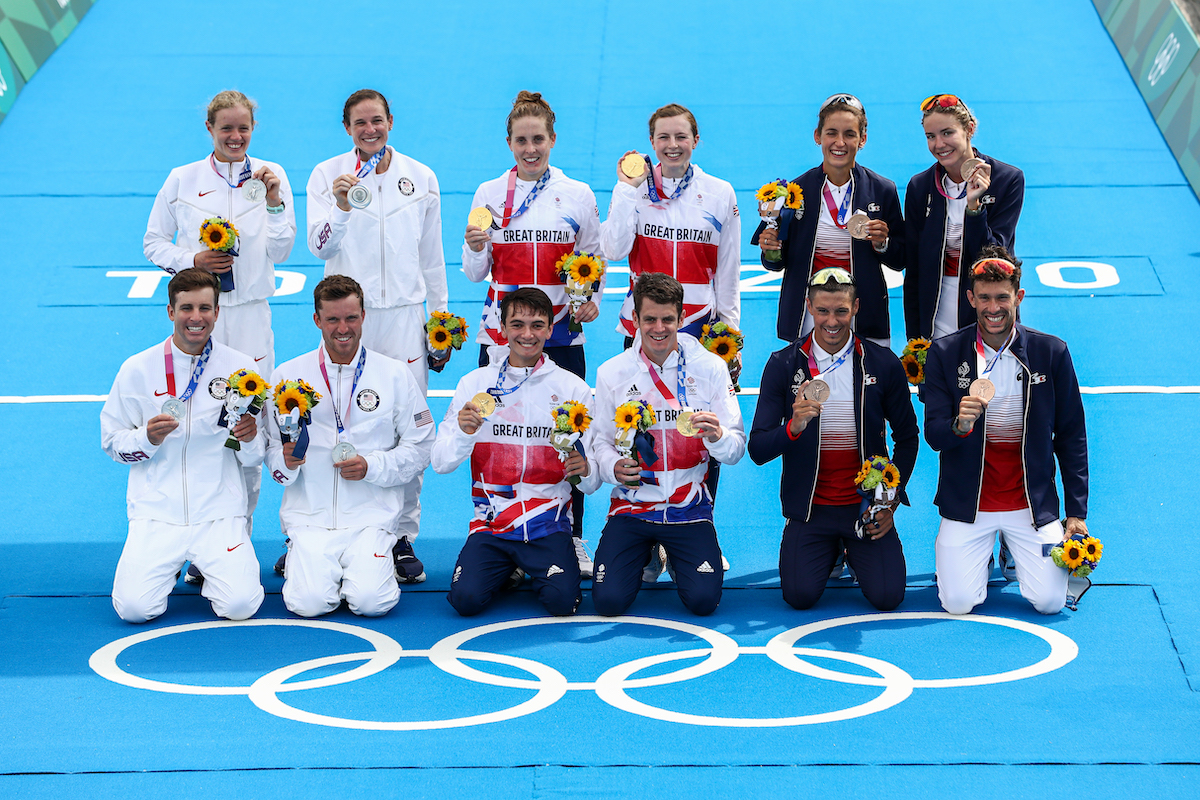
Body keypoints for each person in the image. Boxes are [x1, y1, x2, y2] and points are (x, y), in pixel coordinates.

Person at [143, 90, 296, 580]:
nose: (235, 137)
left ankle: (235, 542)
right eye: (226, 128)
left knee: (246, 432)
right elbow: (152, 243)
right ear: (209, 129)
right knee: (197, 426)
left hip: (250, 315)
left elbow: (285, 248)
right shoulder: (182, 179)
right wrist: (192, 261)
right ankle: (195, 541)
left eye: (243, 129)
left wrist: (273, 204)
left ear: (253, 129)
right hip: (199, 319)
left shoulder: (272, 175)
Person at [306, 88, 448, 583]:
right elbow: (317, 243)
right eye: (360, 123)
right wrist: (342, 206)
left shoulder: (420, 176)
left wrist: (440, 319)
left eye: (378, 121)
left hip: (406, 318)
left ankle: (401, 534)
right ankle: (315, 528)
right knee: (333, 419)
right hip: (350, 318)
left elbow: (431, 256)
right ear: (348, 129)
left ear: (391, 121)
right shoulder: (327, 175)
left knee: (409, 425)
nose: (370, 130)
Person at [462, 91, 602, 577]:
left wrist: (590, 302)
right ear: (508, 142)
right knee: (496, 435)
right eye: (521, 141)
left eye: (538, 139)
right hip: (501, 340)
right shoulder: (486, 195)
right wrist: (477, 247)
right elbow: (474, 272)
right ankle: (493, 524)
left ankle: (572, 535)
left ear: (553, 139)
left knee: (568, 438)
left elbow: (593, 262)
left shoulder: (578, 195)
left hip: (562, 338)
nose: (530, 149)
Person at [600, 103, 741, 557]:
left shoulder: (719, 193)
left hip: (701, 328)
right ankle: (644, 534)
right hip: (647, 326)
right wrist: (625, 190)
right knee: (637, 428)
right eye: (664, 138)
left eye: (681, 136)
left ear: (695, 140)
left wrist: (731, 337)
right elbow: (613, 248)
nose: (673, 145)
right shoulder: (635, 190)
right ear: (652, 143)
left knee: (703, 428)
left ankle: (698, 525)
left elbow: (729, 271)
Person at [924, 247, 1088, 615]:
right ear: (970, 298)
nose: (992, 308)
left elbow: (1071, 434)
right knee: (958, 604)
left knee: (1049, 603)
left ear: (1019, 296)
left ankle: (1015, 547)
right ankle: (978, 556)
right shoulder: (945, 353)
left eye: (1002, 297)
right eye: (984, 298)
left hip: (1032, 506)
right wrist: (959, 426)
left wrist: (1076, 512)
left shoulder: (1051, 352)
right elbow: (934, 435)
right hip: (969, 505)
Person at [748, 267, 918, 610]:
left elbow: (908, 436)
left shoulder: (882, 364)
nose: (832, 321)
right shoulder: (783, 365)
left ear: (856, 308)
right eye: (823, 310)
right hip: (811, 511)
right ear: (809, 307)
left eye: (841, 310)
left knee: (888, 597)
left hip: (864, 507)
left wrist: (889, 500)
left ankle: (852, 552)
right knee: (799, 596)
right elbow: (758, 449)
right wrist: (792, 428)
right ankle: (834, 551)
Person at [265, 275, 435, 618]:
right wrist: (285, 462)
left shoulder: (394, 374)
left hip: (371, 517)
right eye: (333, 320)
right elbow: (271, 450)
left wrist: (372, 466)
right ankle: (304, 554)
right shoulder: (287, 376)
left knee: (372, 603)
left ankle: (367, 562)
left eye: (351, 318)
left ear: (363, 316)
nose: (343, 328)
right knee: (308, 605)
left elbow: (422, 444)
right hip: (310, 518)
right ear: (317, 320)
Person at [101, 269, 264, 623]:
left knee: (240, 607)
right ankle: (169, 565)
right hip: (158, 513)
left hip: (218, 512)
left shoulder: (242, 369)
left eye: (205, 308)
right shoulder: (137, 369)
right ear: (171, 311)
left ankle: (211, 565)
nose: (196, 317)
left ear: (217, 313)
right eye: (186, 307)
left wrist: (251, 438)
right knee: (133, 610)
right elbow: (112, 443)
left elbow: (254, 457)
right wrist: (147, 438)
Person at [587, 273, 745, 616]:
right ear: (635, 320)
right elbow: (600, 442)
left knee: (703, 602)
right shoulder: (612, 372)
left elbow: (736, 447)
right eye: (650, 319)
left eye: (668, 319)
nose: (659, 328)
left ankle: (673, 553)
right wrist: (613, 467)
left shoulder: (711, 368)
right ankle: (649, 550)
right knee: (609, 602)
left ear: (682, 318)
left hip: (689, 509)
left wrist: (717, 438)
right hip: (632, 508)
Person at [432, 288, 596, 616]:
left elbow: (591, 483)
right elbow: (440, 462)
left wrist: (586, 469)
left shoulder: (572, 389)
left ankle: (528, 567)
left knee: (562, 604)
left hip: (547, 527)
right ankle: (510, 566)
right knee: (465, 601)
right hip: (491, 526)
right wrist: (465, 434)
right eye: (517, 324)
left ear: (551, 330)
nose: (527, 334)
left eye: (537, 325)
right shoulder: (474, 384)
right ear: (502, 329)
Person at [754, 93, 904, 349]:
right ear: (818, 136)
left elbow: (901, 259)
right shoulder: (792, 191)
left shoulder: (882, 190)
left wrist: (883, 244)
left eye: (850, 134)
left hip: (864, 316)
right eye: (832, 133)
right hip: (807, 317)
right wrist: (771, 251)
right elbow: (774, 264)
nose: (840, 142)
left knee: (865, 389)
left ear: (863, 139)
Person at [904, 93, 1025, 341]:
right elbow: (913, 273)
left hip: (987, 313)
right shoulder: (920, 186)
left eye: (947, 133)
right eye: (931, 136)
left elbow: (993, 258)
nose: (939, 144)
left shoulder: (1007, 180)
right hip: (935, 318)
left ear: (969, 129)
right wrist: (915, 337)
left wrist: (974, 207)